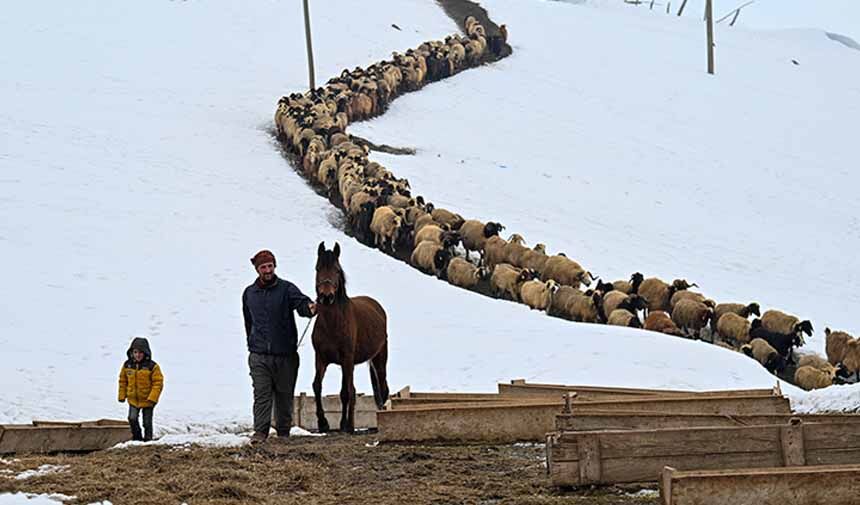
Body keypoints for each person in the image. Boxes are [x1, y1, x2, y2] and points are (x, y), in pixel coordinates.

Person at [242, 249, 316, 444]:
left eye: (270, 266)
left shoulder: (286, 289)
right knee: (262, 395)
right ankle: (260, 432)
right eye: (263, 267)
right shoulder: (249, 293)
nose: (267, 270)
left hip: (286, 354)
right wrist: (252, 342)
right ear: (257, 270)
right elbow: (248, 321)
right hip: (259, 355)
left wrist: (309, 308)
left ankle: (283, 432)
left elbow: (301, 305)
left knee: (284, 395)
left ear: (275, 266)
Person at [118, 337, 164, 442]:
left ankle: (148, 439)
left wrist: (153, 397)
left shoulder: (152, 366)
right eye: (135, 352)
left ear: (145, 353)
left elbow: (158, 383)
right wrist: (122, 395)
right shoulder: (127, 365)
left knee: (147, 422)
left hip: (148, 400)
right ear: (131, 353)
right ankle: (137, 438)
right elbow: (123, 380)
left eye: (140, 353)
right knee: (132, 418)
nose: (138, 355)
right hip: (133, 399)